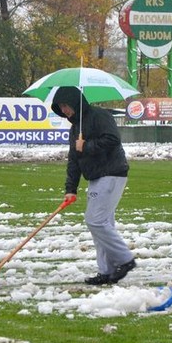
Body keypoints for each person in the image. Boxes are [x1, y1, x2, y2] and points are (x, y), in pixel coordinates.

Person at [51, 86, 136, 285]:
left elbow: (113, 139)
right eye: (60, 107)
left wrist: (86, 146)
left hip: (112, 173)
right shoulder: (75, 128)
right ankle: (106, 271)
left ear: (75, 101)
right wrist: (70, 189)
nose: (64, 110)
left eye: (65, 105)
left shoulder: (100, 115)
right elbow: (74, 160)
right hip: (96, 177)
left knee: (95, 221)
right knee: (102, 225)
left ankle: (125, 260)